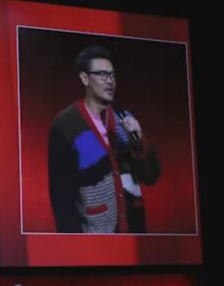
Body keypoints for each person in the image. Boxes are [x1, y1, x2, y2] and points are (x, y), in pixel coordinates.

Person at [48, 45, 161, 233]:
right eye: (102, 74)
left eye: (112, 75)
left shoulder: (124, 118)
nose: (110, 81)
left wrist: (139, 142)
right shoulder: (66, 124)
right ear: (85, 78)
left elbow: (151, 176)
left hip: (134, 232)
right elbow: (61, 199)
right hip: (95, 234)